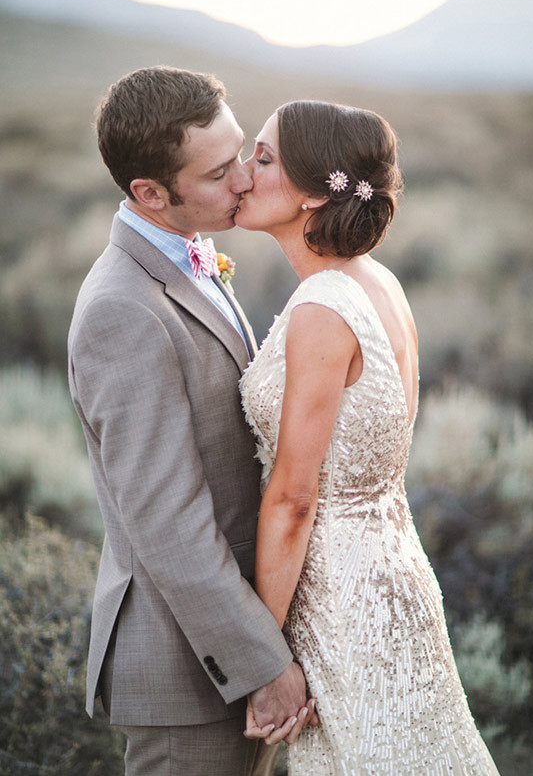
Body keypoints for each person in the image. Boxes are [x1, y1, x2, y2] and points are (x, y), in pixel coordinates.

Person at [237, 100, 501, 775]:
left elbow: (294, 498)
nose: (244, 172)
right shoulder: (378, 281)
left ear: (311, 195)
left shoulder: (324, 308)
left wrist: (261, 657)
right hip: (399, 574)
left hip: (344, 600)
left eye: (263, 159)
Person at [67, 67, 315, 776]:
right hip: (189, 673)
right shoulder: (121, 310)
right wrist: (262, 663)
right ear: (150, 193)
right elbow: (166, 521)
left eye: (241, 152)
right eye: (218, 171)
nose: (245, 179)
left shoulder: (189, 256)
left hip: (228, 648)